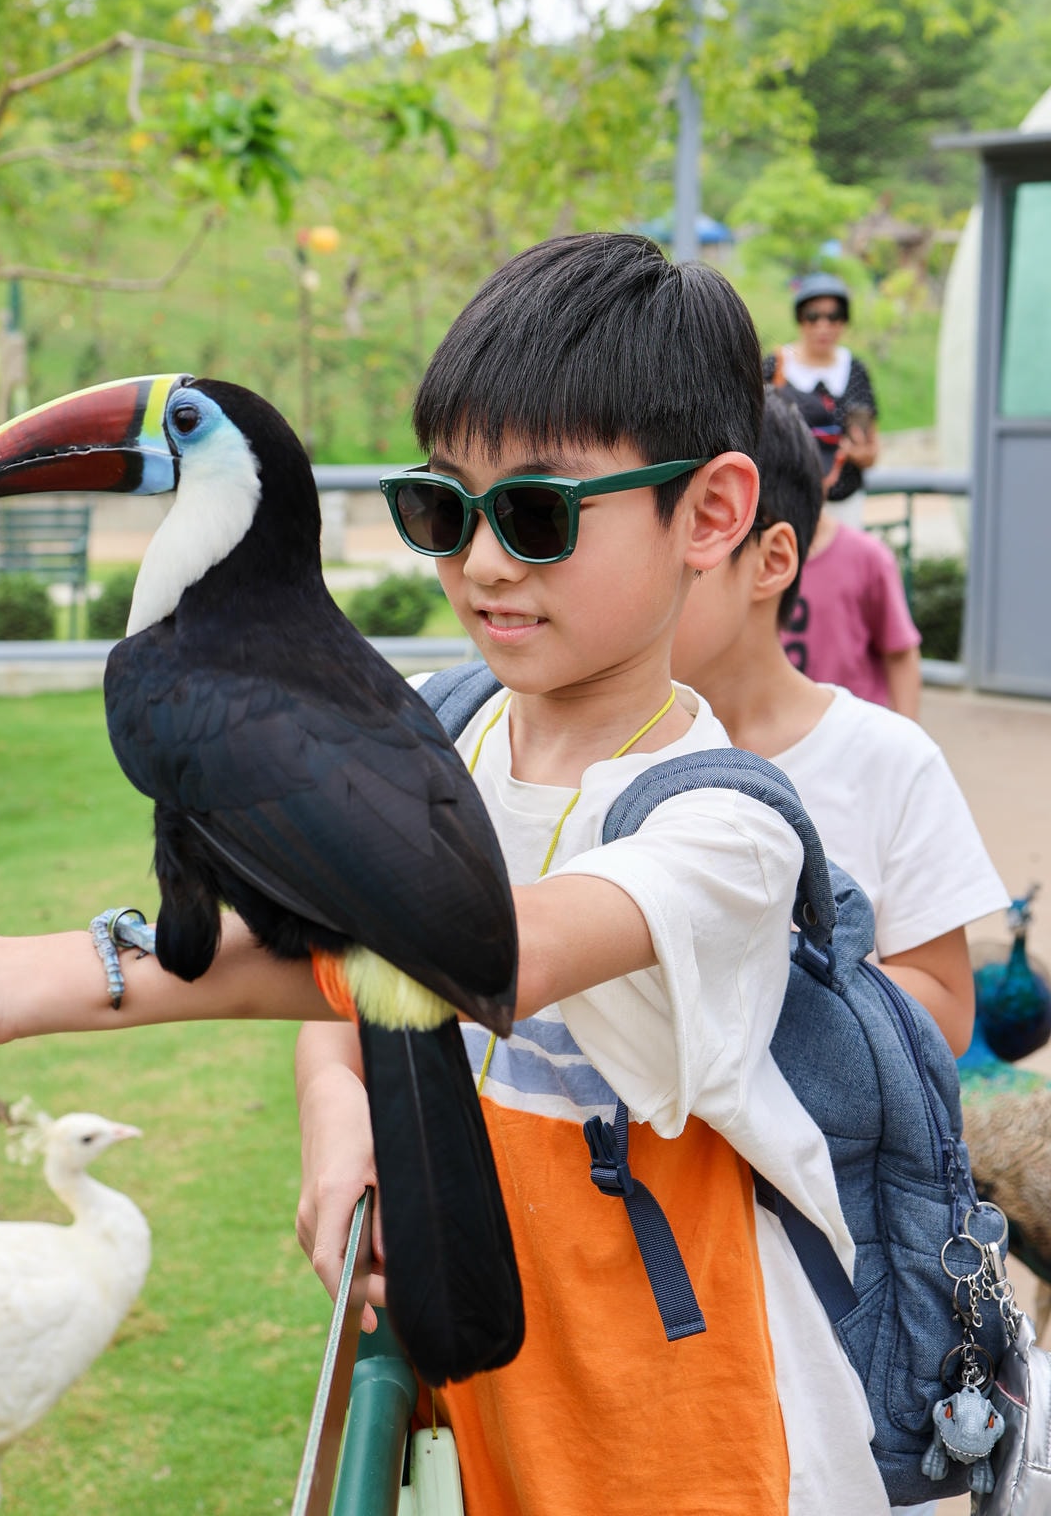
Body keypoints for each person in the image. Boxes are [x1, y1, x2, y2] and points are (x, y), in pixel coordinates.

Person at [297, 234, 888, 1515]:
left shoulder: (728, 829)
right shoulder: (430, 730)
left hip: (690, 1435)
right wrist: (338, 1114)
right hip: (498, 1384)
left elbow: (469, 947)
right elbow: (324, 963)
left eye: (538, 513)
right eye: (442, 509)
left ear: (715, 515)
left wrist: (15, 978)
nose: (483, 565)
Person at [672, 389, 1003, 1058]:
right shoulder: (582, 744)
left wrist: (753, 992)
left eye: (681, 537)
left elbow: (947, 1007)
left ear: (769, 560)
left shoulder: (891, 761)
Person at [780, 387, 923, 718]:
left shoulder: (868, 558)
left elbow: (900, 654)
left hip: (854, 744)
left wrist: (905, 743)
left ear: (835, 465)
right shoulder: (735, 560)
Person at [763, 272, 878, 525]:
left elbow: (871, 452)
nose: (823, 326)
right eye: (813, 316)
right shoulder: (776, 366)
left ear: (844, 321)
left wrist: (851, 451)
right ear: (800, 318)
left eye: (833, 316)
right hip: (787, 500)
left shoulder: (855, 371)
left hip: (842, 503)